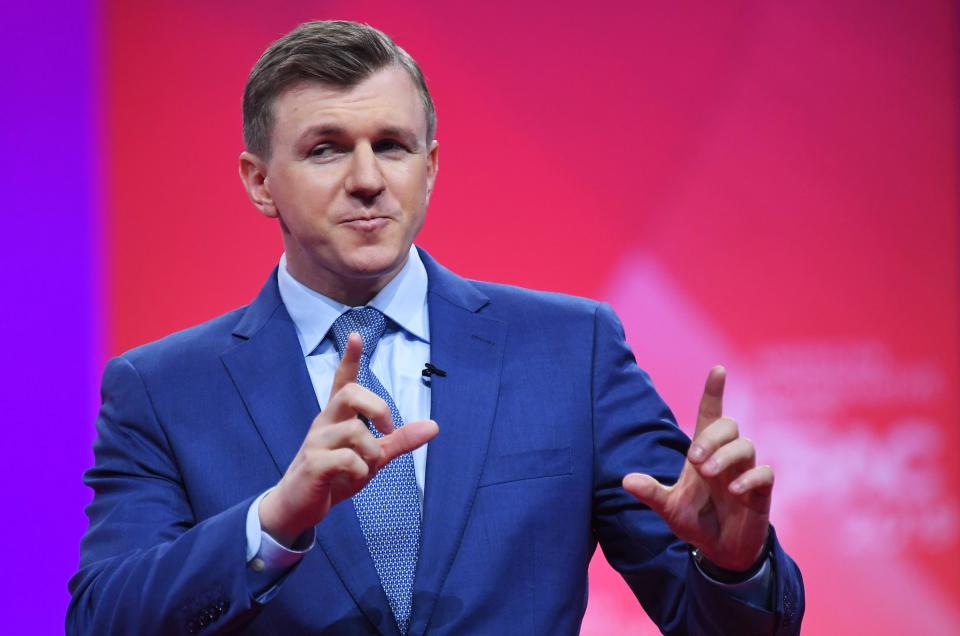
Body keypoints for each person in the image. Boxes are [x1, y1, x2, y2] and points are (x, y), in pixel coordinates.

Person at [68, 20, 804, 635]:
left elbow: (719, 621)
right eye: (326, 148)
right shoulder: (160, 390)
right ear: (260, 181)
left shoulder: (569, 351)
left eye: (392, 145)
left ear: (430, 167)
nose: (366, 178)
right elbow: (103, 618)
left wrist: (734, 565)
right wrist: (273, 520)